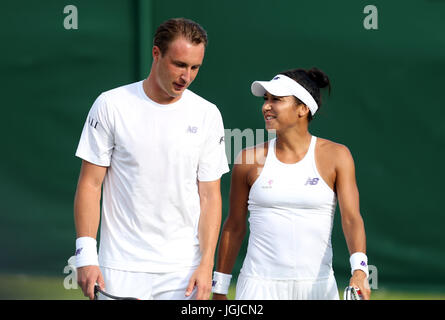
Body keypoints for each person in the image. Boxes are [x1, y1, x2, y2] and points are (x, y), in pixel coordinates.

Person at [73, 18, 229, 300]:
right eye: (179, 64)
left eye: (195, 68)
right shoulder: (110, 105)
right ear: (156, 54)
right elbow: (90, 185)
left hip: (184, 273)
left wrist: (207, 265)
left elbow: (210, 197)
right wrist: (86, 254)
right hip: (118, 270)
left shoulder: (208, 114)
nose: (187, 76)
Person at [211, 68, 370, 300]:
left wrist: (360, 270)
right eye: (266, 99)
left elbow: (351, 218)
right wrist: (220, 289)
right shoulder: (247, 159)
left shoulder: (338, 156)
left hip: (318, 288)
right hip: (257, 288)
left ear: (303, 108)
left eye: (276, 100)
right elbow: (234, 226)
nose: (266, 106)